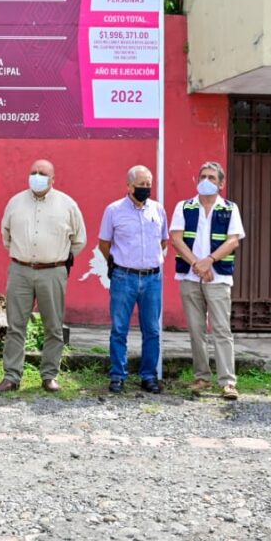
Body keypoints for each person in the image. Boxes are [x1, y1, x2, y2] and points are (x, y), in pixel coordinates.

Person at [0, 160, 86, 393]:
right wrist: (23, 255)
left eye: (43, 173)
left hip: (53, 271)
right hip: (20, 270)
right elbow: (6, 235)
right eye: (34, 172)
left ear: (53, 179)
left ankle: (49, 375)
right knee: (15, 326)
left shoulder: (67, 205)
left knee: (53, 326)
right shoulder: (15, 202)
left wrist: (59, 260)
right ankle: (11, 376)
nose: (37, 176)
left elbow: (79, 240)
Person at [169, 162, 244, 400]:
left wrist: (209, 261)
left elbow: (233, 241)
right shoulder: (184, 207)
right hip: (190, 277)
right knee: (196, 329)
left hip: (218, 277)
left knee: (221, 329)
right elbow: (176, 239)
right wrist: (197, 265)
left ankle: (228, 382)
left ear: (221, 183)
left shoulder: (229, 208)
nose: (206, 181)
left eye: (212, 177)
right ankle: (201, 377)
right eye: (203, 176)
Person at [98, 165, 168, 394]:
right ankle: (118, 375)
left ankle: (149, 376)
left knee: (152, 330)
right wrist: (116, 262)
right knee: (119, 329)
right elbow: (104, 243)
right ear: (129, 186)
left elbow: (163, 241)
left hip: (152, 279)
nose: (145, 188)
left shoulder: (158, 210)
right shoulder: (113, 210)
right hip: (124, 277)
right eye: (141, 184)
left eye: (148, 184)